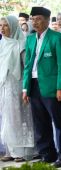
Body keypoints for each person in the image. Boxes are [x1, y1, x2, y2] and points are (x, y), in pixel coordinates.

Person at [22, 7, 61, 168]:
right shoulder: (30, 39)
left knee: (58, 121)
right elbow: (28, 65)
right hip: (34, 85)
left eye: (38, 19)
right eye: (32, 19)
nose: (34, 22)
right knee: (40, 122)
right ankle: (47, 154)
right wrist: (25, 88)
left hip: (52, 87)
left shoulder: (58, 38)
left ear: (48, 20)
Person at [0, 16, 34, 162]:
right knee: (7, 118)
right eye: (0, 25)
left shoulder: (21, 44)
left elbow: (27, 67)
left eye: (5, 25)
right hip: (4, 86)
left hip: (18, 86)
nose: (2, 28)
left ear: (13, 26)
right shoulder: (2, 44)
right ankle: (10, 150)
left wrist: (26, 88)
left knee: (19, 118)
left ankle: (23, 151)